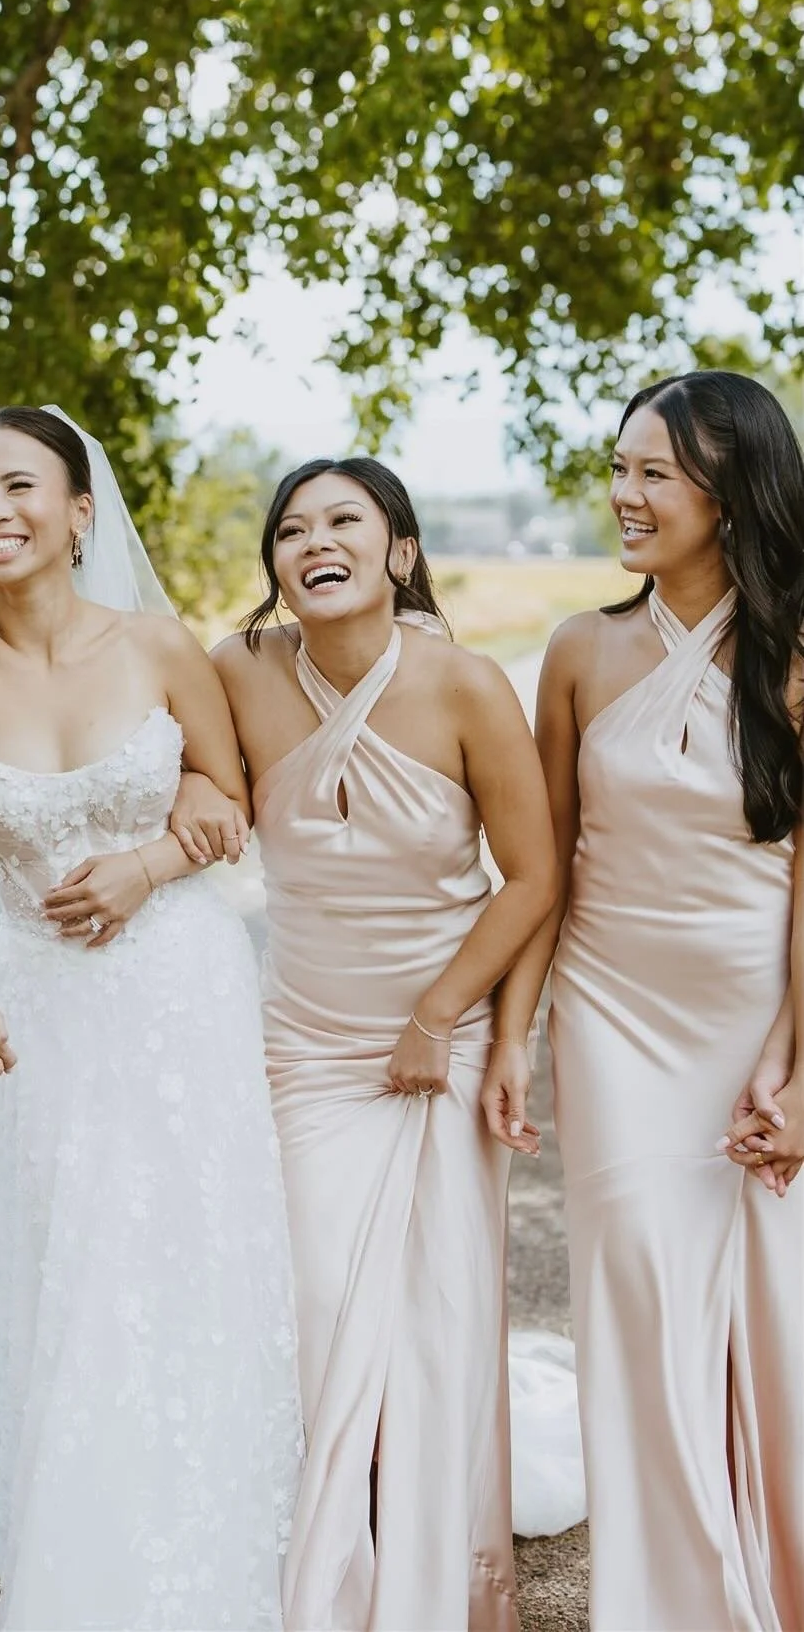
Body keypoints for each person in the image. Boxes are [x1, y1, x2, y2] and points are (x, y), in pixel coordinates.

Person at [0, 404, 302, 1631]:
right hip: (40, 995)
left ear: (79, 512)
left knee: (190, 1251)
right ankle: (79, 1557)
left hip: (179, 981)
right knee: (71, 1263)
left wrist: (151, 864)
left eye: (20, 487)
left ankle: (224, 1527)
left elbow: (226, 793)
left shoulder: (161, 644)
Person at [203, 456, 560, 1630]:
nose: (316, 541)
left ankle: (443, 1568)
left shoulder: (464, 685)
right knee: (310, 1294)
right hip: (302, 1038)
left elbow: (535, 874)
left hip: (436, 1032)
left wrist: (440, 1015)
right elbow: (189, 791)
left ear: (399, 550)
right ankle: (324, 1538)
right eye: (292, 528)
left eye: (344, 520)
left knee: (438, 1310)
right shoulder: (238, 670)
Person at [494, 370, 804, 1630]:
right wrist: (514, 1029)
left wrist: (797, 1064)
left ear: (729, 490)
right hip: (611, 1017)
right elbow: (544, 865)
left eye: (653, 473)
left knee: (769, 1313)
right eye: (618, 468)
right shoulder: (579, 648)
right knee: (636, 1300)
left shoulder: (798, 660)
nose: (624, 495)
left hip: (756, 1015)